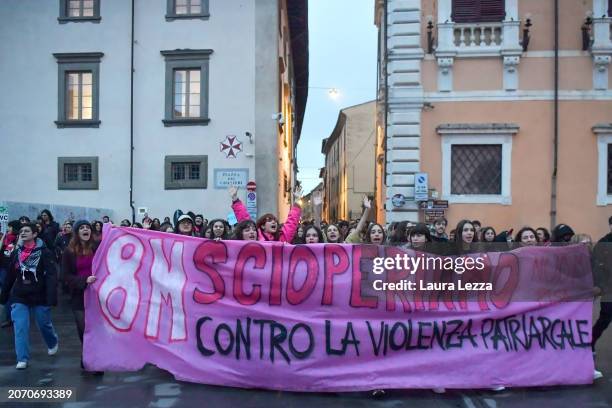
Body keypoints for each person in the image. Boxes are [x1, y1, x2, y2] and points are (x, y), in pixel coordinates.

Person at [0, 223, 59, 369]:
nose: (23, 233)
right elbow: (10, 275)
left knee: (43, 324)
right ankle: (22, 358)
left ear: (34, 234)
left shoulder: (44, 252)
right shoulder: (17, 252)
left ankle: (52, 342)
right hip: (20, 295)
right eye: (21, 231)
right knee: (20, 326)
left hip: (40, 294)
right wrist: (4, 295)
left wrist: (52, 297)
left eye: (27, 231)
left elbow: (52, 276)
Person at [61, 220, 101, 374]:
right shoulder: (69, 251)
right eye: (82, 228)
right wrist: (83, 280)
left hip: (97, 294)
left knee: (96, 329)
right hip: (79, 295)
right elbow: (65, 276)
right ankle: (87, 355)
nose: (86, 229)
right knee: (83, 329)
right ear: (77, 232)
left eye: (88, 227)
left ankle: (96, 360)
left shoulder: (97, 248)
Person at [229, 185, 302, 242]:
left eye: (275, 221)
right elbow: (244, 219)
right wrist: (235, 199)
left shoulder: (282, 238)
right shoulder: (255, 236)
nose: (274, 222)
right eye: (269, 220)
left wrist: (297, 203)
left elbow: (291, 223)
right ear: (263, 226)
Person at [592, 217, 612, 380]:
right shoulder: (603, 243)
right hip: (608, 289)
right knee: (605, 318)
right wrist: (601, 285)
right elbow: (596, 266)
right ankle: (590, 342)